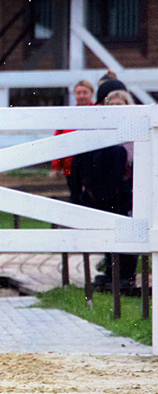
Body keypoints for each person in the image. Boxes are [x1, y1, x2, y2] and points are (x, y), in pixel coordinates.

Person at [72, 80, 136, 291]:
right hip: (106, 187)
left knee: (129, 229)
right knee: (108, 227)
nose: (117, 109)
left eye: (121, 105)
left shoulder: (137, 129)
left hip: (129, 187)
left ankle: (126, 274)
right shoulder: (100, 129)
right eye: (113, 105)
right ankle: (110, 271)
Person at [51, 79, 95, 204]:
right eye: (78, 93)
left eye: (85, 92)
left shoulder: (98, 112)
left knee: (91, 196)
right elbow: (58, 141)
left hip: (92, 164)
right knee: (75, 197)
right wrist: (56, 166)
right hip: (70, 164)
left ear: (92, 93)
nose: (81, 96)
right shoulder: (67, 115)